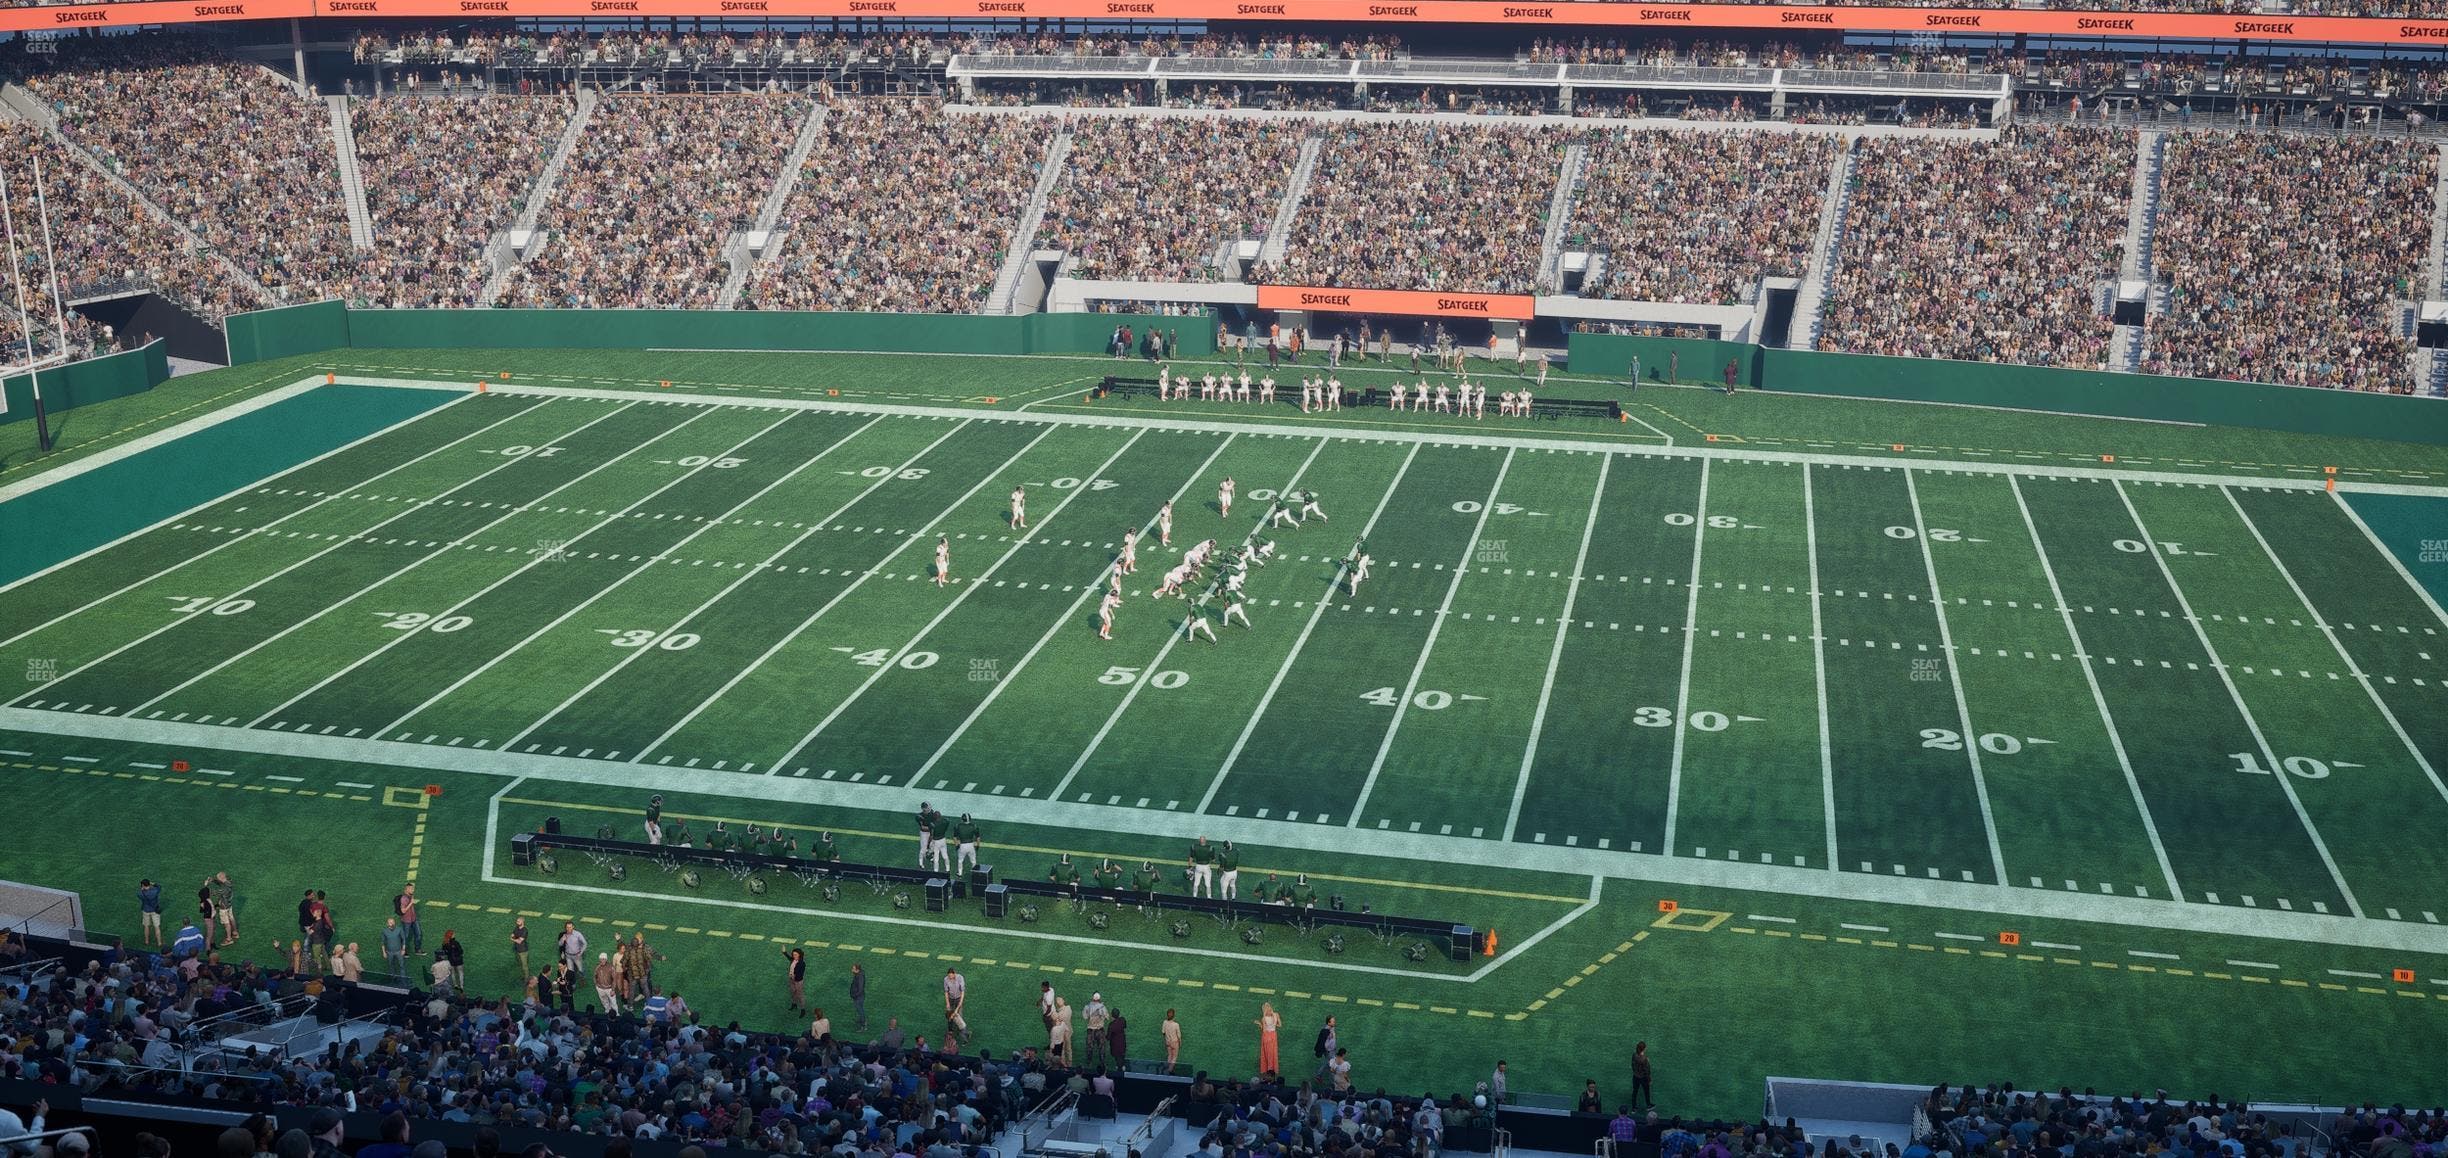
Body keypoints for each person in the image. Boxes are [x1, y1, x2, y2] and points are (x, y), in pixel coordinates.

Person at [206, 871, 238, 946]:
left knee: (226, 923)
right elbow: (221, 883)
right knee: (231, 918)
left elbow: (214, 893)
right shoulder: (229, 882)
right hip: (229, 904)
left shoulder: (224, 889)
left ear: (221, 878)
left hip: (224, 907)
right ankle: (235, 933)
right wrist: (213, 880)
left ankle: (229, 939)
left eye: (218, 878)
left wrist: (206, 886)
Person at [944, 966, 970, 1045]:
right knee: (949, 1015)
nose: (950, 978)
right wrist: (947, 1002)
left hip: (959, 998)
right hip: (951, 999)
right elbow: (946, 992)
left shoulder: (960, 978)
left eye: (951, 976)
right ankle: (950, 1030)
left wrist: (959, 1004)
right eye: (949, 976)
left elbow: (962, 992)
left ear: (954, 974)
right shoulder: (946, 979)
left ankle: (964, 1034)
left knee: (959, 1016)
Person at [1256, 1002, 1281, 1077]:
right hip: (1273, 1035)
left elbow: (1264, 1030)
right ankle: (1272, 1068)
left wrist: (1260, 1024)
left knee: (1266, 1053)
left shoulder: (1264, 1018)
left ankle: (1268, 1068)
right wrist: (1273, 1024)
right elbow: (1280, 1025)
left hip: (1266, 1036)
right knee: (1273, 1052)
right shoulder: (1276, 1014)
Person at [1632, 1041, 1654, 1108]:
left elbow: (1632, 1065)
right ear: (1644, 1048)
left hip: (1635, 1076)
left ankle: (1634, 1107)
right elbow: (1647, 1071)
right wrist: (1649, 1079)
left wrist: (1635, 1072)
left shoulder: (1634, 1055)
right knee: (1646, 1092)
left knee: (1635, 1092)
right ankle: (1648, 1105)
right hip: (1643, 1078)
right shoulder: (1644, 1059)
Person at [785, 948, 807, 1013]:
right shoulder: (793, 960)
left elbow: (800, 973)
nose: (794, 956)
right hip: (792, 980)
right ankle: (794, 1004)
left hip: (798, 981)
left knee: (800, 995)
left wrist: (794, 975)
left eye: (795, 955)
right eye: (793, 954)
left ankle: (803, 1009)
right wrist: (784, 952)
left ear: (799, 955)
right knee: (793, 993)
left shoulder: (802, 963)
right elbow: (789, 957)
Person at [1162, 1008, 1183, 1074]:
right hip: (1175, 1042)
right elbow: (1179, 1035)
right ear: (1173, 1016)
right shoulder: (1176, 1024)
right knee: (1174, 1057)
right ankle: (1170, 1070)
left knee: (1169, 1055)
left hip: (1168, 1042)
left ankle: (1169, 1068)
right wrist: (1180, 1043)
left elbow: (1163, 1032)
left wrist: (1166, 1039)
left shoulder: (1164, 1022)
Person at [848, 961, 868, 1028]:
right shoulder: (858, 975)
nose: (852, 970)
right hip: (858, 996)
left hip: (858, 997)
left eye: (853, 969)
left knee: (860, 1010)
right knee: (859, 1009)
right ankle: (862, 1020)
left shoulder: (860, 977)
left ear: (857, 970)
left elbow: (860, 989)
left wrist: (854, 995)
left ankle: (863, 1025)